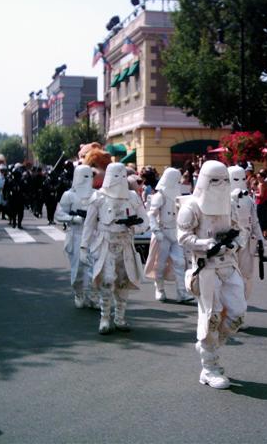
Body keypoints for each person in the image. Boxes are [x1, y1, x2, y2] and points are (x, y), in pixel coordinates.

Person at [177, 161, 246, 390]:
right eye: (216, 180)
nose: (222, 184)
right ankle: (209, 367)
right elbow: (183, 237)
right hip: (205, 267)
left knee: (237, 314)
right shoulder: (192, 207)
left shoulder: (229, 203)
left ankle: (210, 346)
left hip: (229, 265)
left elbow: (240, 231)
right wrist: (207, 244)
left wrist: (234, 244)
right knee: (211, 317)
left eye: (225, 180)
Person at [80, 163, 148, 334]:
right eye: (116, 175)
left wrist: (134, 227)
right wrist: (83, 247)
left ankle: (119, 317)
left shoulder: (132, 197)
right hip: (106, 243)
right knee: (107, 280)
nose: (120, 179)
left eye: (122, 175)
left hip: (125, 243)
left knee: (123, 282)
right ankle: (104, 318)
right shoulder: (99, 197)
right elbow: (89, 224)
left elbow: (145, 220)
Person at [144, 167, 195, 303]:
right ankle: (160, 288)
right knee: (160, 263)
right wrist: (156, 231)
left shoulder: (178, 195)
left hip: (176, 233)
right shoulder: (159, 196)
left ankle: (181, 292)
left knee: (180, 262)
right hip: (163, 233)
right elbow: (151, 214)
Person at [55, 164, 99, 309]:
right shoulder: (69, 195)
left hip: (93, 235)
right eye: (84, 176)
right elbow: (59, 214)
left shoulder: (97, 194)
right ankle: (79, 293)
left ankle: (93, 295)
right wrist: (73, 218)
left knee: (95, 268)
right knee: (78, 269)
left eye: (90, 176)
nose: (87, 179)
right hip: (76, 234)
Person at [228, 165, 263, 313]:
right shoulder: (222, 199)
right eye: (236, 179)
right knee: (228, 275)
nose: (239, 182)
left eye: (242, 178)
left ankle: (240, 305)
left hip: (247, 240)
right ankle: (230, 305)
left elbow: (254, 221)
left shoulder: (248, 199)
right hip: (229, 242)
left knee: (246, 275)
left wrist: (260, 240)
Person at [254, 169, 267, 238]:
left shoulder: (261, 184)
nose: (258, 178)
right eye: (257, 177)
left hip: (261, 203)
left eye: (259, 177)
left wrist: (255, 194)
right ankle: (263, 233)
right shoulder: (263, 184)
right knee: (263, 219)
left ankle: (261, 234)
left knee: (260, 219)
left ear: (262, 177)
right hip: (263, 203)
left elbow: (261, 195)